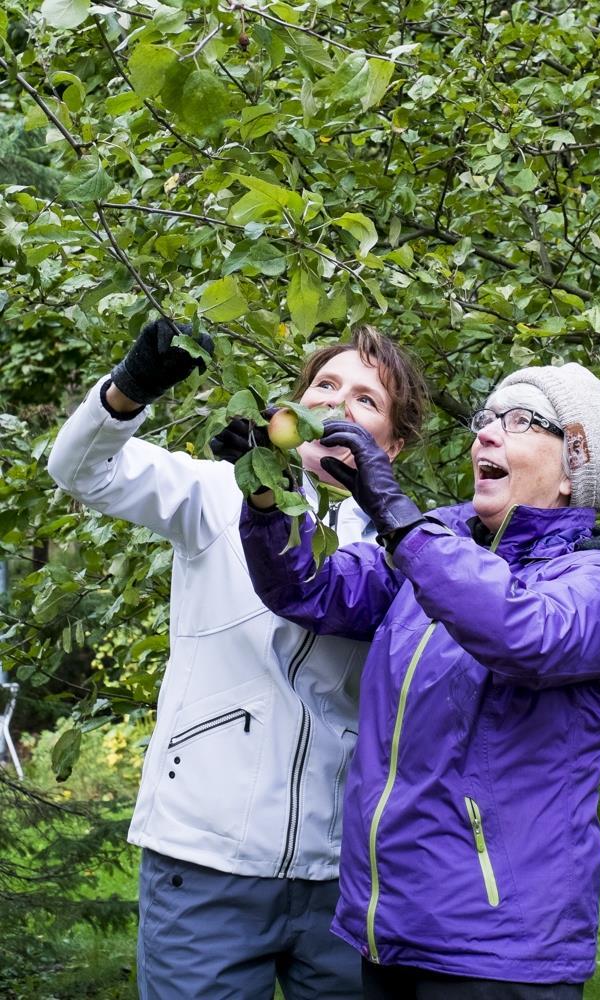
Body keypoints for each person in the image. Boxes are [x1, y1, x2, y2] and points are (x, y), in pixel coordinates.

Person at [238, 362, 600, 1000]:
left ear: (575, 468)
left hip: (497, 949)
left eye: (520, 422)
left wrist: (402, 521)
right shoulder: (436, 549)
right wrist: (263, 495)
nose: (486, 434)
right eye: (486, 420)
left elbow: (522, 634)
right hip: (389, 928)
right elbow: (308, 587)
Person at [47, 320, 427, 1000]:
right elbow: (79, 470)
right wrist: (128, 390)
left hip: (339, 875)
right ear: (293, 410)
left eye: (366, 399)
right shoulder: (216, 496)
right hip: (205, 855)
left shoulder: (413, 551)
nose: (338, 403)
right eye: (326, 385)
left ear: (391, 447)